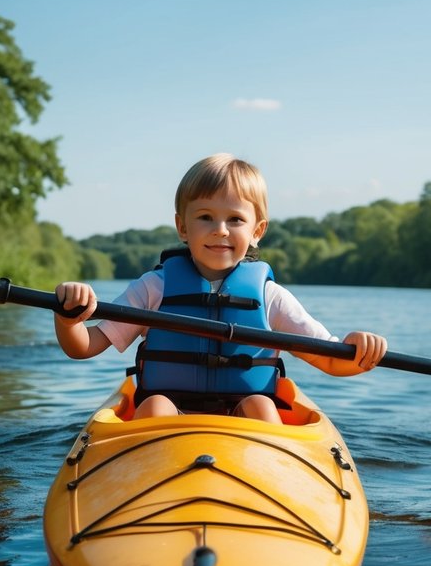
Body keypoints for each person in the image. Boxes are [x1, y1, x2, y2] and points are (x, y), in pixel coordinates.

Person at [54, 153, 387, 423]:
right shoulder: (155, 287)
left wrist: (359, 353)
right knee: (154, 406)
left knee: (262, 407)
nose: (220, 230)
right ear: (182, 227)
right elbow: (84, 346)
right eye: (205, 217)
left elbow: (329, 359)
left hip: (242, 418)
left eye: (235, 220)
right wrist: (69, 318)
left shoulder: (271, 298)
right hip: (170, 414)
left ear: (258, 230)